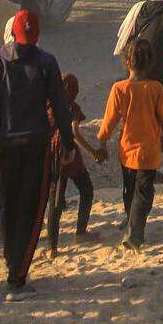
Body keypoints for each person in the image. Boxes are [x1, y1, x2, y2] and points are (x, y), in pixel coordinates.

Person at [0, 11, 77, 299]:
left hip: (6, 147)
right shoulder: (47, 62)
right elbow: (60, 107)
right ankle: (17, 278)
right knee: (32, 211)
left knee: (11, 206)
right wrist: (69, 144)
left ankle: (13, 262)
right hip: (36, 146)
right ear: (36, 36)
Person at [97, 40, 163, 250]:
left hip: (126, 151)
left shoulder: (119, 89)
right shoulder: (156, 88)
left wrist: (102, 142)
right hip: (149, 152)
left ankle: (131, 223)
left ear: (127, 62)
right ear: (150, 62)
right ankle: (135, 233)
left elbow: (109, 120)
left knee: (130, 189)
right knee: (144, 192)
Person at [43, 73, 102, 257]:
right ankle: (80, 232)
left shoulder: (49, 105)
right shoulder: (72, 107)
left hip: (53, 155)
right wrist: (93, 152)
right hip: (70, 153)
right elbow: (75, 132)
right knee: (86, 190)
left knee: (55, 200)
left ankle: (52, 247)